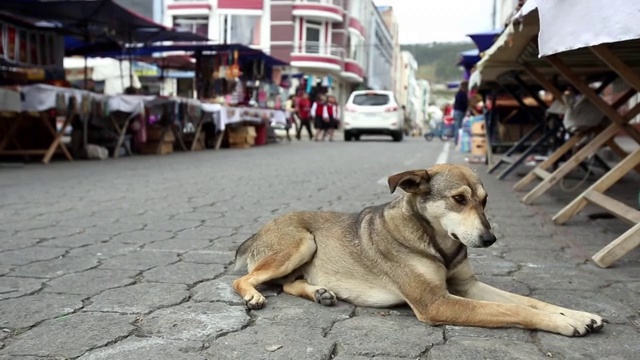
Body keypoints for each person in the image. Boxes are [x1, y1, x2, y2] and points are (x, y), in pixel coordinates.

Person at [453, 81, 469, 145]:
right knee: (459, 126)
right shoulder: (463, 94)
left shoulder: (458, 93)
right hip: (460, 111)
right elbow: (465, 104)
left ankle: (456, 140)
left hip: (456, 111)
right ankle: (458, 141)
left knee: (457, 126)